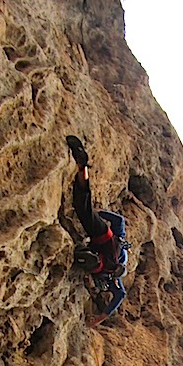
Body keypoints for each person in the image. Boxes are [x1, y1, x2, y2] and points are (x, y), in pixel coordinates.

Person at [67, 135, 128, 326]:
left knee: (82, 206)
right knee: (82, 207)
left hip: (100, 234)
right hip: (100, 235)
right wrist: (102, 317)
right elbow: (120, 295)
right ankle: (82, 167)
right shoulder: (112, 266)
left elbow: (119, 222)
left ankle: (82, 169)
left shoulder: (114, 261)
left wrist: (99, 215)